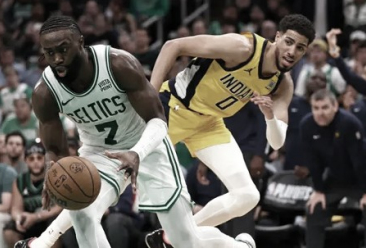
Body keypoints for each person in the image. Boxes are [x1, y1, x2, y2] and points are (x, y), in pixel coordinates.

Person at [14, 15, 254, 248]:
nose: (56, 59)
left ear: (81, 43)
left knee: (185, 241)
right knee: (82, 214)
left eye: (63, 50)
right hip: (100, 153)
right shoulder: (44, 93)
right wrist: (52, 169)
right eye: (49, 53)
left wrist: (137, 152)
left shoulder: (118, 64)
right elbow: (55, 149)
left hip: (147, 144)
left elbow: (158, 120)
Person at [146, 13, 316, 246]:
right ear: (277, 37)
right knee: (120, 175)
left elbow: (277, 143)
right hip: (173, 108)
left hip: (209, 124)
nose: (292, 51)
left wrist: (268, 116)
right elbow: (173, 45)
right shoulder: (242, 47)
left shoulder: (282, 84)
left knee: (248, 196)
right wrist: (150, 97)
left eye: (300, 48)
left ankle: (170, 237)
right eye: (289, 42)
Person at [300, 89, 366, 248]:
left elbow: (360, 161)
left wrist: (365, 192)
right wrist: (318, 190)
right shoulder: (307, 125)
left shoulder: (349, 123)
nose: (320, 113)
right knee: (314, 208)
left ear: (335, 106)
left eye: (325, 107)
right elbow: (312, 161)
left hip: (360, 178)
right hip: (335, 178)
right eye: (316, 108)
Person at [3, 142, 62, 248]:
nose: (36, 162)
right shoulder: (20, 180)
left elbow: (60, 207)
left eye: (39, 158)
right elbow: (15, 209)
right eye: (31, 159)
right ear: (26, 160)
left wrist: (37, 216)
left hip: (47, 219)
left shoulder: (54, 177)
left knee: (54, 229)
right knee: (9, 232)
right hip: (29, 221)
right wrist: (18, 218)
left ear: (45, 160)